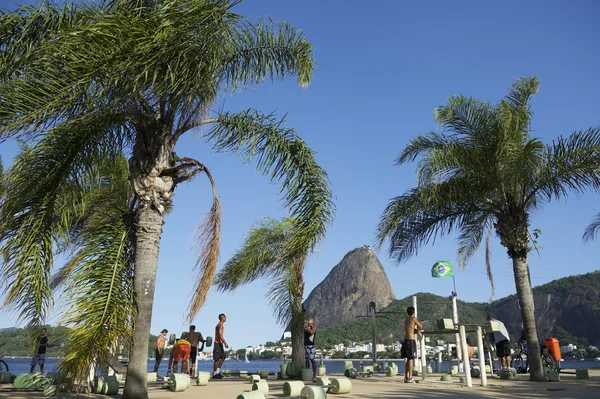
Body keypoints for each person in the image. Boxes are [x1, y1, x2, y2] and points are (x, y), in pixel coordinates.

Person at [401, 306, 422, 383]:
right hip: (411, 341)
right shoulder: (413, 319)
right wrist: (418, 330)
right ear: (413, 312)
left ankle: (406, 377)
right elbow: (421, 326)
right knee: (410, 359)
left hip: (405, 341)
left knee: (407, 359)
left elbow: (410, 329)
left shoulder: (406, 320)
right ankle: (410, 377)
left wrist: (416, 331)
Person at [212, 314, 229, 379]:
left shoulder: (221, 325)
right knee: (216, 359)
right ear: (223, 318)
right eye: (225, 317)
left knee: (223, 356)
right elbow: (220, 335)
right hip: (217, 343)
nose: (226, 318)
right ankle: (214, 373)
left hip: (220, 344)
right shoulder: (220, 325)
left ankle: (217, 371)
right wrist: (225, 343)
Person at [304, 318, 317, 382]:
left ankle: (314, 375)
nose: (308, 324)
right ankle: (308, 373)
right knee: (306, 360)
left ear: (312, 323)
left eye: (310, 323)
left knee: (312, 360)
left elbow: (312, 332)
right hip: (305, 346)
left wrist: (307, 327)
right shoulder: (306, 329)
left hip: (311, 346)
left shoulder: (313, 328)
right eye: (308, 323)